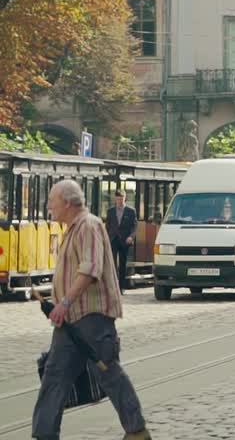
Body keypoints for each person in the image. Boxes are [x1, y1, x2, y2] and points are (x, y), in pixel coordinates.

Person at [33, 180, 150, 440]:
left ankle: (137, 431)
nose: (49, 207)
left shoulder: (89, 225)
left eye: (52, 201)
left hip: (91, 317)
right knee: (54, 376)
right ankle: (43, 435)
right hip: (70, 320)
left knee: (107, 372)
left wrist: (64, 303)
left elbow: (90, 269)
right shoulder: (73, 229)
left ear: (66, 202)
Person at [104, 190, 137, 290]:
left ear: (125, 198)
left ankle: (121, 287)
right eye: (118, 199)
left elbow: (134, 226)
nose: (119, 201)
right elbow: (107, 226)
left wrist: (131, 236)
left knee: (123, 264)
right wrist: (106, 238)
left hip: (125, 240)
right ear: (115, 199)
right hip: (113, 239)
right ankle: (113, 286)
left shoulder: (131, 211)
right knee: (112, 263)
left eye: (121, 199)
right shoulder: (110, 211)